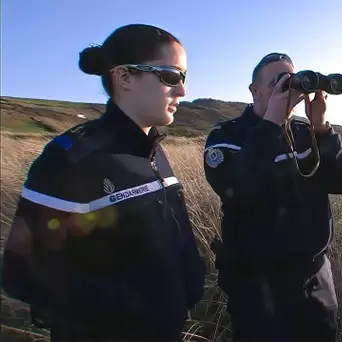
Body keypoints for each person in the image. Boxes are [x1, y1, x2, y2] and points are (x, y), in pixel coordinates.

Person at [1, 24, 207, 341]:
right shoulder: (72, 159)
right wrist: (133, 310)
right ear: (124, 77)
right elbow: (21, 272)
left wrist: (186, 287)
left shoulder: (153, 151)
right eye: (171, 76)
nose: (182, 90)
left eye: (185, 77)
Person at [203, 52, 342, 341]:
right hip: (259, 285)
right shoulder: (226, 137)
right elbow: (238, 191)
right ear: (254, 90)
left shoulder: (304, 132)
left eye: (293, 81)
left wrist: (322, 129)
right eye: (279, 82)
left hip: (316, 278)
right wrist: (271, 125)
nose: (290, 90)